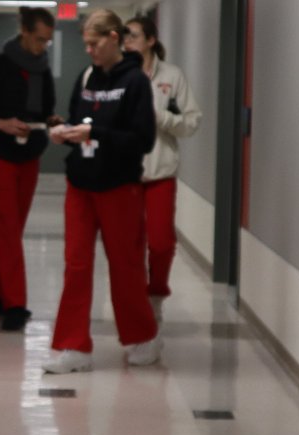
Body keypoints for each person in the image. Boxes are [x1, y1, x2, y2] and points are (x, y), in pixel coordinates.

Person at [42, 10, 161, 374]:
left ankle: (142, 336)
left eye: (95, 43)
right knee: (76, 265)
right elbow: (81, 122)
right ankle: (74, 346)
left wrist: (96, 135)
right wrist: (64, 131)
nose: (89, 50)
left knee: (124, 266)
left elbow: (142, 139)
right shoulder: (87, 76)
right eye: (86, 44)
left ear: (114, 38)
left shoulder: (136, 83)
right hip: (81, 183)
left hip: (119, 187)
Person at [0, 7, 63, 331]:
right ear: (23, 30)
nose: (42, 47)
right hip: (2, 155)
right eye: (38, 39)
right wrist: (2, 125)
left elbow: (45, 108)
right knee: (7, 228)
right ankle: (16, 306)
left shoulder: (43, 70)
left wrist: (51, 121)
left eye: (47, 42)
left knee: (14, 230)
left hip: (30, 155)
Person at [125, 16, 201, 297]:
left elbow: (192, 121)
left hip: (160, 172)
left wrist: (162, 119)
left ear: (150, 40)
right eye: (124, 36)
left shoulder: (172, 76)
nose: (127, 41)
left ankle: (157, 287)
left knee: (160, 242)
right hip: (125, 174)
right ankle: (132, 288)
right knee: (129, 240)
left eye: (133, 35)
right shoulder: (118, 74)